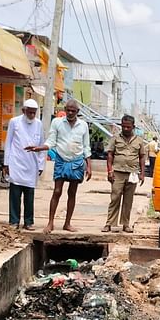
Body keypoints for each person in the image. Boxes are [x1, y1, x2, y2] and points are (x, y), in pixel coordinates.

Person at [26, 99, 92, 233]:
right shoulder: (57, 122)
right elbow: (51, 141)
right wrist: (40, 148)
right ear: (65, 109)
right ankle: (50, 223)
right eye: (68, 110)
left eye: (73, 111)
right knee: (57, 191)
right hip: (61, 160)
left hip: (77, 162)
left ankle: (67, 223)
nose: (70, 113)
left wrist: (89, 166)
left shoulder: (83, 125)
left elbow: (86, 147)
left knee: (72, 193)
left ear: (77, 112)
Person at [4, 99, 45, 230]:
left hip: (31, 165)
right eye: (30, 113)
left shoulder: (38, 124)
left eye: (34, 113)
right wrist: (6, 163)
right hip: (16, 162)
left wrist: (41, 165)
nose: (32, 115)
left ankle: (28, 221)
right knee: (15, 194)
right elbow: (8, 143)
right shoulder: (14, 122)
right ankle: (14, 221)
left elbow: (42, 146)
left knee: (29, 195)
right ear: (24, 111)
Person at [104, 115, 146, 233]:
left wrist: (142, 174)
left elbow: (142, 157)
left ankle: (125, 224)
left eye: (128, 127)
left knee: (128, 200)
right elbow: (110, 155)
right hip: (117, 172)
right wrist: (110, 171)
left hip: (132, 173)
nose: (126, 129)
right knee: (115, 197)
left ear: (133, 126)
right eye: (123, 126)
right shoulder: (116, 138)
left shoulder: (139, 140)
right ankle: (109, 223)